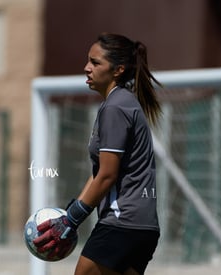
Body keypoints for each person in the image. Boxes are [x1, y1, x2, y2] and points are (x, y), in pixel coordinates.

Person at [33, 33, 162, 275]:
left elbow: (107, 175)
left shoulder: (115, 107)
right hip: (142, 226)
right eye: (88, 61)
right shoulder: (123, 102)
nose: (86, 68)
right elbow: (100, 172)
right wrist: (72, 212)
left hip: (122, 223)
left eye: (95, 62)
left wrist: (71, 220)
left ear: (118, 70)